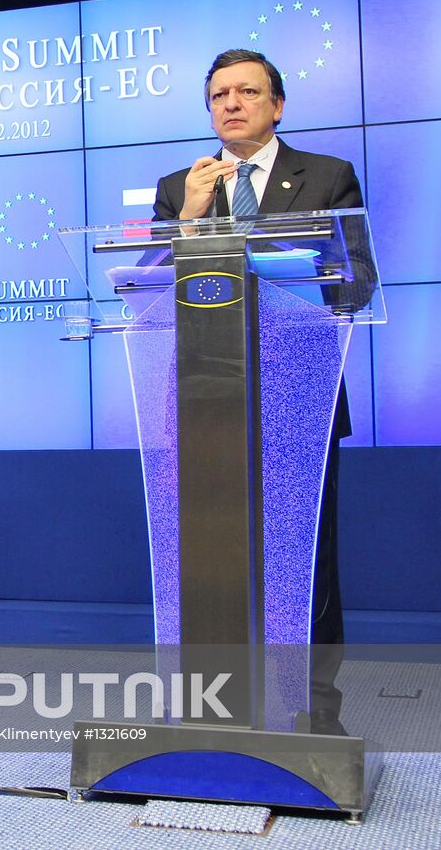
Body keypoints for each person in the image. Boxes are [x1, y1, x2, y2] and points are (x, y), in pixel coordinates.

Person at [153, 49, 365, 735]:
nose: (232, 104)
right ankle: (212, 704)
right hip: (205, 399)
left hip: (299, 395)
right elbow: (147, 287)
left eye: (247, 91)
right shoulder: (180, 186)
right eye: (219, 95)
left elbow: (357, 280)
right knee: (209, 556)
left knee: (304, 562)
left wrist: (292, 275)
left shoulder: (327, 176)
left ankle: (310, 710)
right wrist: (190, 220)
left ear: (277, 105)